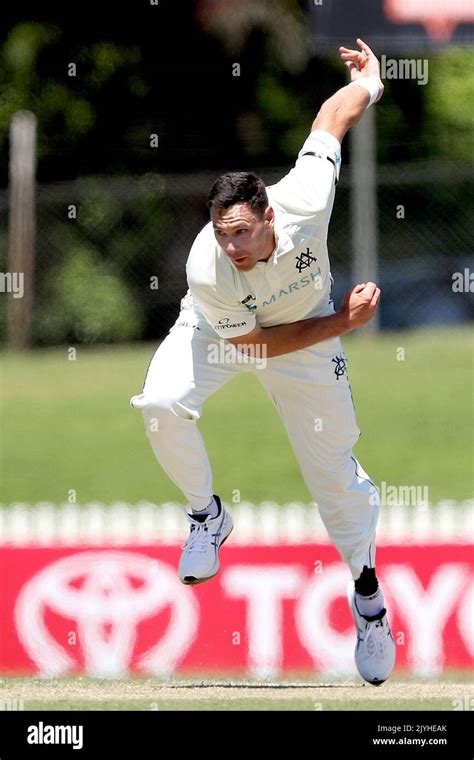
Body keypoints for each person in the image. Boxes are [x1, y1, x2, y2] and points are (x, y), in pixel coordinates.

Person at [130, 39, 396, 685]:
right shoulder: (208, 267)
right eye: (223, 233)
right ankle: (206, 516)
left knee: (332, 475)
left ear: (269, 214)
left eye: (243, 231)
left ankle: (368, 601)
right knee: (163, 404)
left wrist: (371, 82)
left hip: (306, 341)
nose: (234, 244)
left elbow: (329, 122)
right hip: (233, 330)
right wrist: (345, 323)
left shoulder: (304, 196)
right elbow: (251, 347)